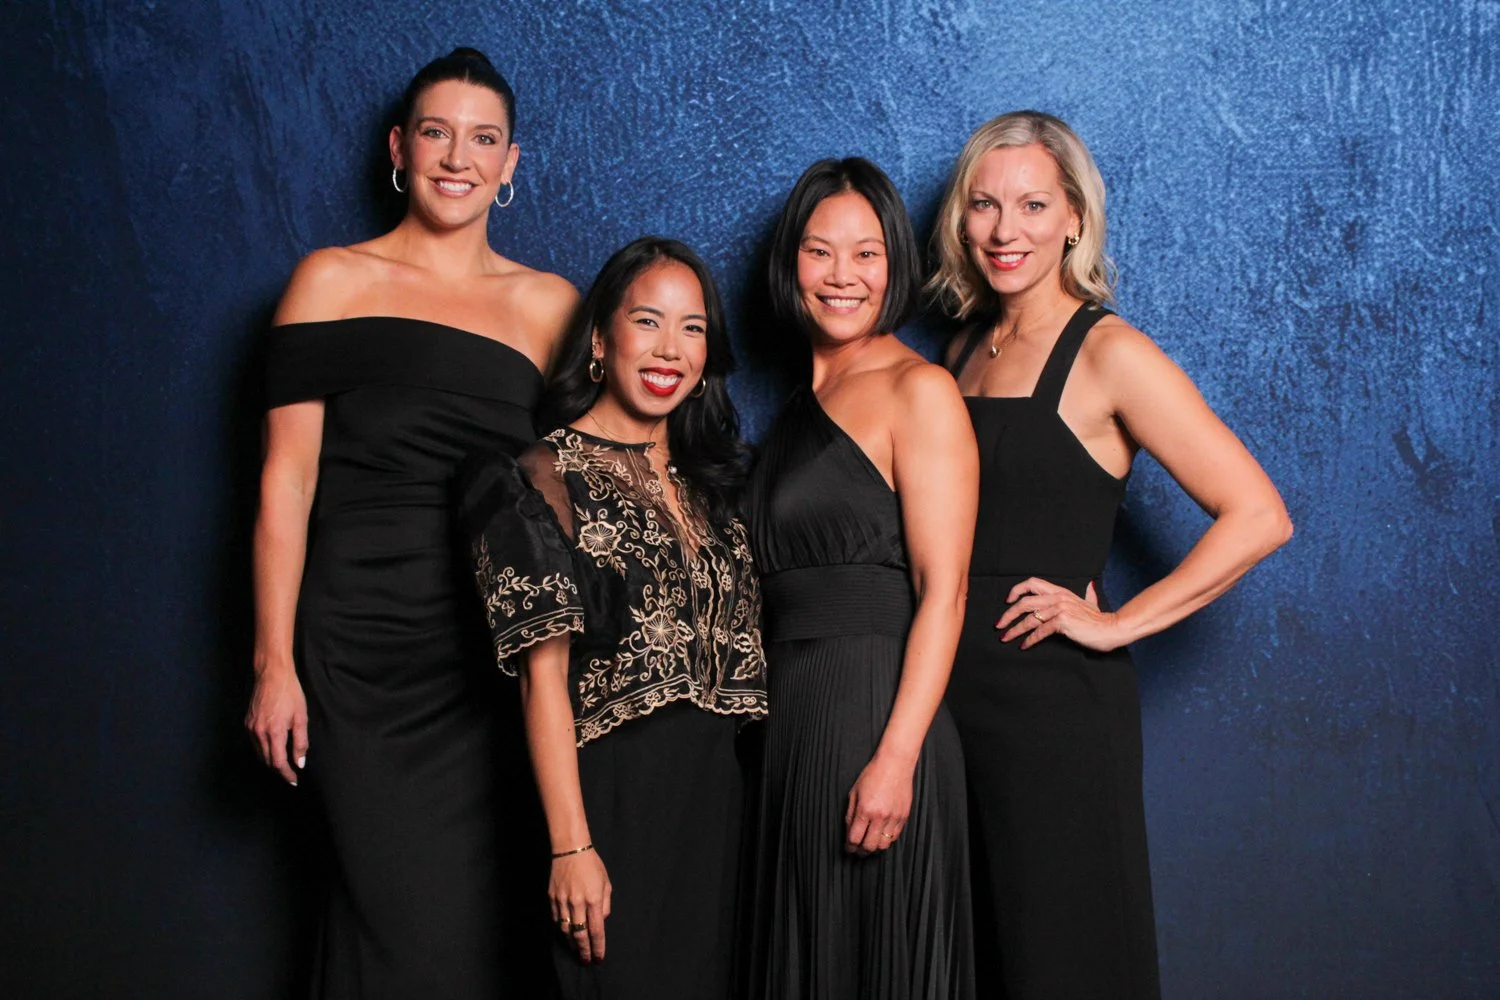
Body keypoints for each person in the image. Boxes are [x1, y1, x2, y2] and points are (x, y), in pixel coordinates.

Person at [929, 110, 1295, 1000]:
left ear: (1074, 220)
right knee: (981, 962)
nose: (1005, 230)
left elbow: (1258, 514)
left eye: (1031, 204)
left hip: (1054, 711)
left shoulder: (1110, 353)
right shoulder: (962, 352)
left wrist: (1117, 622)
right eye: (984, 204)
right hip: (949, 706)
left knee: (1067, 957)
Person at [244, 48, 577, 998]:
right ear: (400, 146)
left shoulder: (548, 306)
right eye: (437, 132)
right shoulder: (330, 282)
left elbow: (577, 490)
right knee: (386, 911)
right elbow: (285, 485)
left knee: (478, 931)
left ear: (511, 163)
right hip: (355, 649)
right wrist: (275, 664)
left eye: (483, 139)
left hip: (486, 657)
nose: (457, 158)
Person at [459, 237, 768, 999]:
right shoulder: (537, 477)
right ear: (601, 338)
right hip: (610, 806)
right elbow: (543, 683)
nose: (671, 349)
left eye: (693, 327)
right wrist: (571, 846)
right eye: (649, 322)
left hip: (716, 812)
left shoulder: (719, 486)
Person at [743, 158, 979, 1000]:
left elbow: (945, 591)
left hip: (874, 713)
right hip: (791, 717)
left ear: (897, 266)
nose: (841, 276)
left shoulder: (920, 390)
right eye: (819, 251)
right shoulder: (794, 408)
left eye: (867, 254)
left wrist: (897, 756)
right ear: (789, 264)